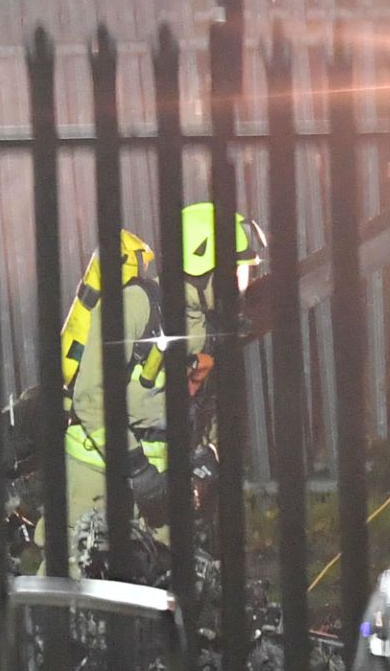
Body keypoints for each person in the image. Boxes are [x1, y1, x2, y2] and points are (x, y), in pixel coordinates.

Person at [45, 205, 264, 575]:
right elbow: (91, 396)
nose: (243, 285)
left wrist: (208, 454)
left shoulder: (210, 331)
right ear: (201, 269)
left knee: (158, 590)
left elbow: (209, 404)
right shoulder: (136, 305)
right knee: (73, 589)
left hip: (159, 487)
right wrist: (137, 468)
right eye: (237, 273)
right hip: (95, 475)